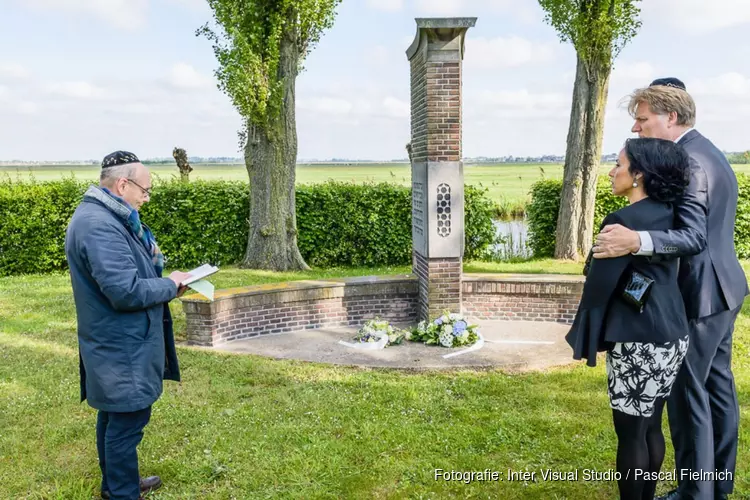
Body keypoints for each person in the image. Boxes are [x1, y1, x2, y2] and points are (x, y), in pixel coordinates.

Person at [592, 79, 748, 500]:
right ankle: (719, 484)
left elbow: (693, 235)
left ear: (670, 117)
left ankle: (695, 493)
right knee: (717, 391)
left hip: (701, 294)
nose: (638, 130)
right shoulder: (708, 151)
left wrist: (635, 241)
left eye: (642, 121)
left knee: (687, 399)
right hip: (724, 288)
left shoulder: (690, 161)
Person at [566, 138, 692, 500]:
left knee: (631, 435)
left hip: (638, 341)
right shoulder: (671, 214)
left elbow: (597, 287)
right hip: (672, 335)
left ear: (638, 174)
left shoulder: (623, 222)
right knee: (651, 426)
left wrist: (586, 339)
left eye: (618, 165)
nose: (611, 171)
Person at [64, 151, 192, 500]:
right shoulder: (101, 224)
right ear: (123, 184)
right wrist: (171, 284)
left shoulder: (105, 216)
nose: (146, 198)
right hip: (121, 345)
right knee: (125, 423)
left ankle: (117, 484)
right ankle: (122, 493)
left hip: (116, 340)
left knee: (114, 417)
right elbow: (124, 291)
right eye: (145, 190)